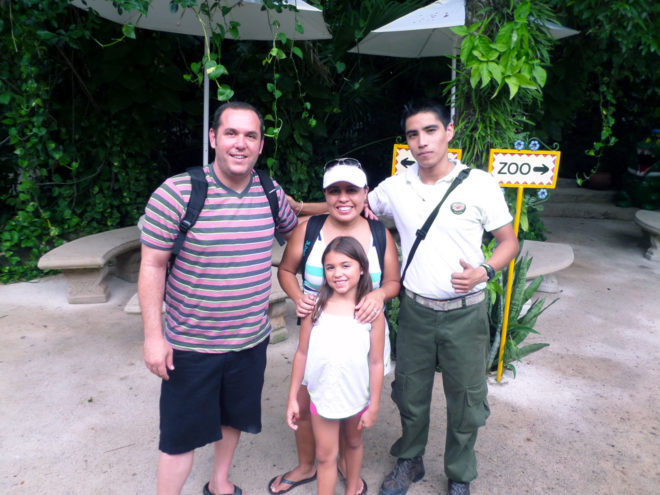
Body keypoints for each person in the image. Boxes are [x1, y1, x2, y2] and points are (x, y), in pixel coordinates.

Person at [138, 101, 298, 495]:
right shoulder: (178, 192)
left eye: (250, 136)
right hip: (191, 345)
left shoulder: (269, 190)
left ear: (261, 145)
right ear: (213, 138)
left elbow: (295, 228)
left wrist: (344, 209)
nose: (240, 144)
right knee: (180, 437)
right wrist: (153, 338)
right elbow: (152, 266)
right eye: (231, 133)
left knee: (233, 418)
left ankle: (220, 481)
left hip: (249, 340)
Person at [370, 99, 520, 495]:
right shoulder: (395, 186)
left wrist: (484, 271)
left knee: (467, 399)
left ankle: (459, 474)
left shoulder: (480, 183)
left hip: (465, 314)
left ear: (449, 131)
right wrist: (297, 209)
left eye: (430, 130)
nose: (422, 142)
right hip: (416, 311)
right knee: (409, 391)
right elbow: (348, 204)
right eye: (413, 134)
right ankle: (410, 459)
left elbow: (508, 241)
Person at [269, 159, 401, 494]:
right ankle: (306, 465)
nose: (344, 197)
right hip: (317, 326)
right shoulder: (309, 228)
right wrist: (299, 297)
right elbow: (286, 270)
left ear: (365, 193)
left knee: (352, 402)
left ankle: (345, 462)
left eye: (352, 190)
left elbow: (393, 281)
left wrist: (380, 296)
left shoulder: (377, 233)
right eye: (335, 190)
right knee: (305, 398)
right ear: (326, 195)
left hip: (363, 330)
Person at [287, 236, 386, 495]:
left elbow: (376, 363)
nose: (337, 273)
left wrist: (374, 405)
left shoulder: (371, 312)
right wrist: (293, 399)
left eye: (346, 265)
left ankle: (352, 488)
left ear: (362, 268)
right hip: (322, 397)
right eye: (330, 267)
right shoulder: (314, 307)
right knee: (325, 456)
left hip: (356, 396)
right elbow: (301, 354)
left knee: (353, 444)